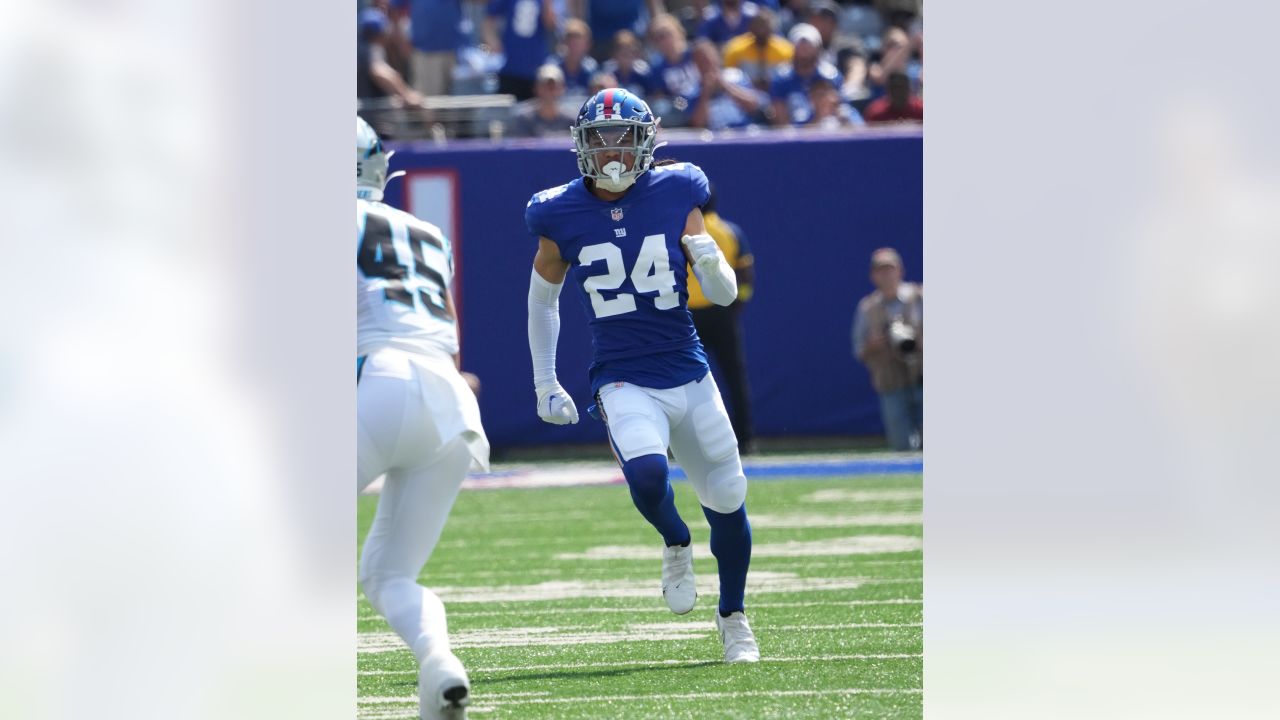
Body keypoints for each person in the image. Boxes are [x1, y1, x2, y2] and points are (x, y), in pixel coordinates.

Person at [524, 88, 760, 663]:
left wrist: (711, 262)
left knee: (728, 495)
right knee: (650, 476)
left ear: (645, 141)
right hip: (622, 376)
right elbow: (542, 302)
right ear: (580, 146)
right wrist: (544, 381)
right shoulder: (557, 210)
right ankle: (676, 541)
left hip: (687, 367)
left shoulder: (679, 188)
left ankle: (733, 616)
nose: (610, 150)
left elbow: (725, 295)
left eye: (621, 136)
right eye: (598, 138)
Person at [356, 117, 490, 719]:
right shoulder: (428, 233)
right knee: (389, 575)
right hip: (450, 399)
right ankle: (439, 663)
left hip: (377, 379)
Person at [686, 183, 757, 453]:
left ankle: (689, 444)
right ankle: (746, 439)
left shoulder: (682, 231)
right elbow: (746, 274)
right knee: (734, 377)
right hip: (723, 311)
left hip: (689, 314)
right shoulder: (730, 231)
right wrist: (737, 305)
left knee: (686, 381)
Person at [852, 247, 922, 451]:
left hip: (924, 379)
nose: (887, 275)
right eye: (881, 271)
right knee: (902, 448)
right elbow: (858, 350)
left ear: (900, 270)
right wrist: (873, 346)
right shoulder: (867, 308)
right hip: (892, 384)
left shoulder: (920, 298)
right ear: (873, 276)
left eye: (890, 269)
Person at [483, 0, 563, 101]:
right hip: (509, 67)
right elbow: (489, 19)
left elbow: (551, 24)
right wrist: (492, 41)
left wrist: (547, 4)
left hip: (535, 69)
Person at [769, 22, 844, 126]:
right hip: (794, 136)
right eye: (800, 46)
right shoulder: (781, 79)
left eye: (808, 45)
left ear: (817, 48)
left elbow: (841, 110)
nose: (804, 51)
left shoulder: (831, 76)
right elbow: (781, 121)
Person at [688, 38, 768, 130]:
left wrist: (724, 86)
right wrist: (705, 92)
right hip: (714, 136)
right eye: (701, 61)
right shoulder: (692, 90)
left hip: (744, 131)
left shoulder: (735, 75)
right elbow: (698, 124)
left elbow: (753, 106)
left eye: (709, 58)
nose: (706, 64)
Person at [722, 7, 794, 92]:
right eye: (758, 26)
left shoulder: (786, 50)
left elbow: (790, 78)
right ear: (751, 27)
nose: (761, 30)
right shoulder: (735, 48)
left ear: (773, 28)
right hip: (744, 93)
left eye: (765, 26)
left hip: (776, 94)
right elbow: (728, 77)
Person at [507, 63, 577, 137]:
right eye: (545, 86)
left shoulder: (572, 121)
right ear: (536, 88)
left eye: (553, 87)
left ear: (562, 89)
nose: (549, 92)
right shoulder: (523, 120)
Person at [600, 30, 657, 99]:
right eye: (624, 54)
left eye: (631, 52)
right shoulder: (607, 72)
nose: (628, 57)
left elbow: (652, 95)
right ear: (614, 54)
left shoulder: (644, 72)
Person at [553, 18, 601, 96]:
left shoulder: (592, 68)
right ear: (564, 43)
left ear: (587, 45)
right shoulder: (553, 67)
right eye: (572, 44)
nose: (574, 48)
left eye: (578, 45)